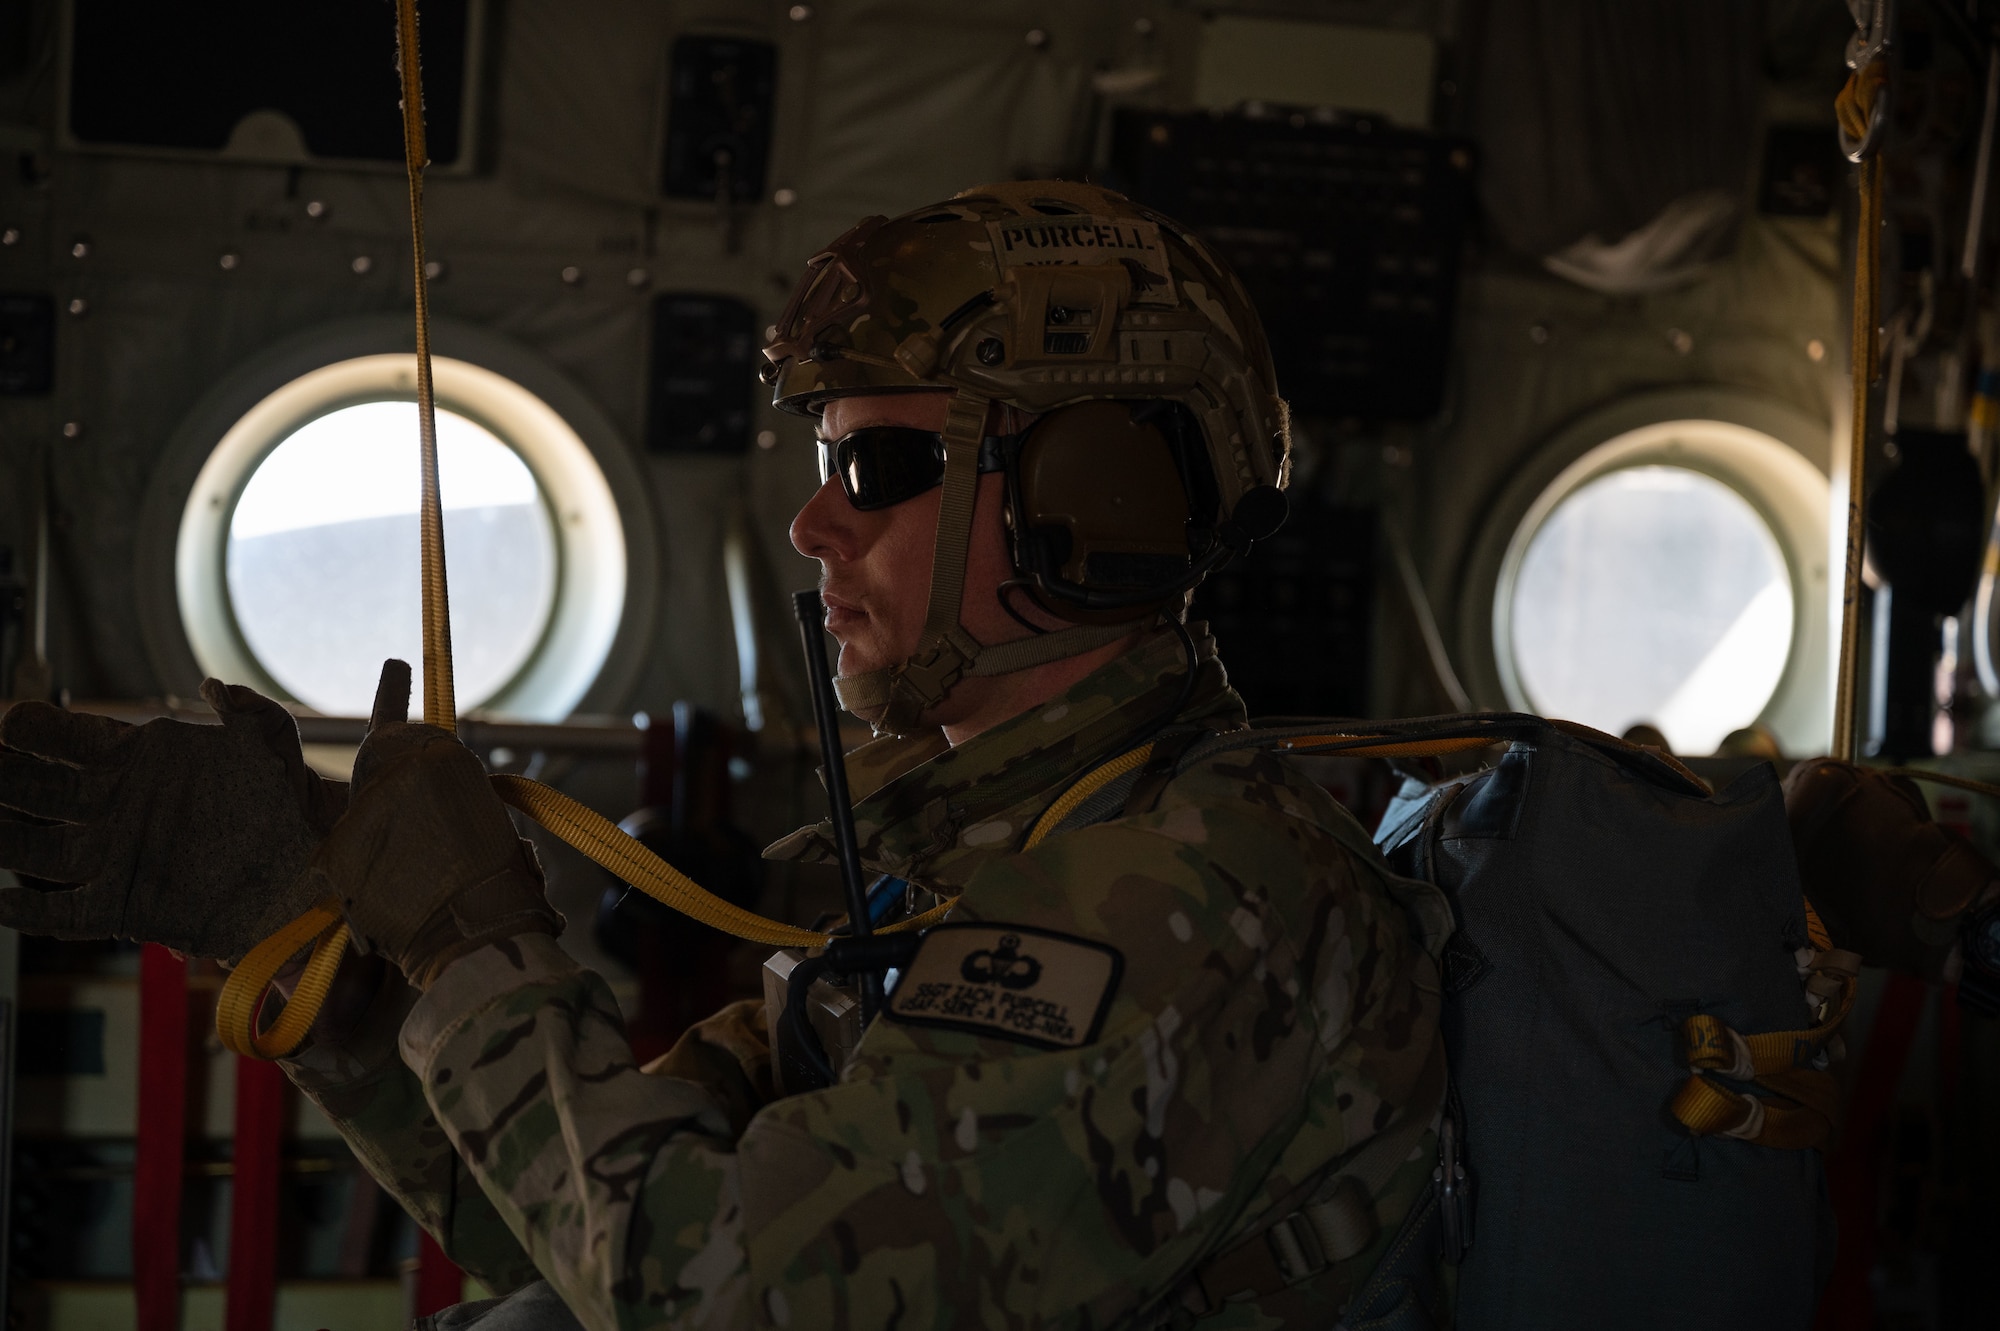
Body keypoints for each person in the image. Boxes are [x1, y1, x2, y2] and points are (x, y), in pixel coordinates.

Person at [0, 181, 1447, 1328]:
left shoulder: (1191, 899)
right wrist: (308, 931)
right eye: (824, 467)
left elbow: (721, 1301)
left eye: (876, 469)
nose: (817, 529)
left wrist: (474, 947)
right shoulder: (981, 870)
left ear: (1097, 496)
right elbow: (576, 1225)